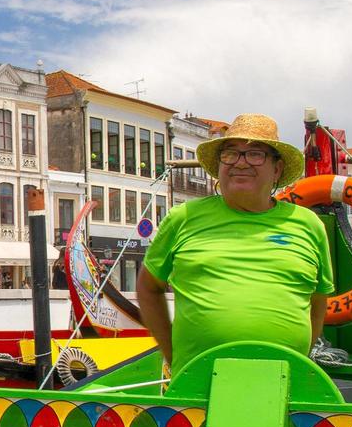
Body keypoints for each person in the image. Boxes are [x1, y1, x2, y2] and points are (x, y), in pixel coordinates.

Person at [134, 113, 333, 378]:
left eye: (255, 154)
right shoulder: (183, 218)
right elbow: (148, 288)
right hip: (196, 381)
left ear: (276, 169)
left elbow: (318, 303)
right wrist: (174, 356)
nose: (240, 163)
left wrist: (299, 355)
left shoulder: (308, 224)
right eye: (230, 154)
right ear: (218, 166)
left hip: (286, 379)